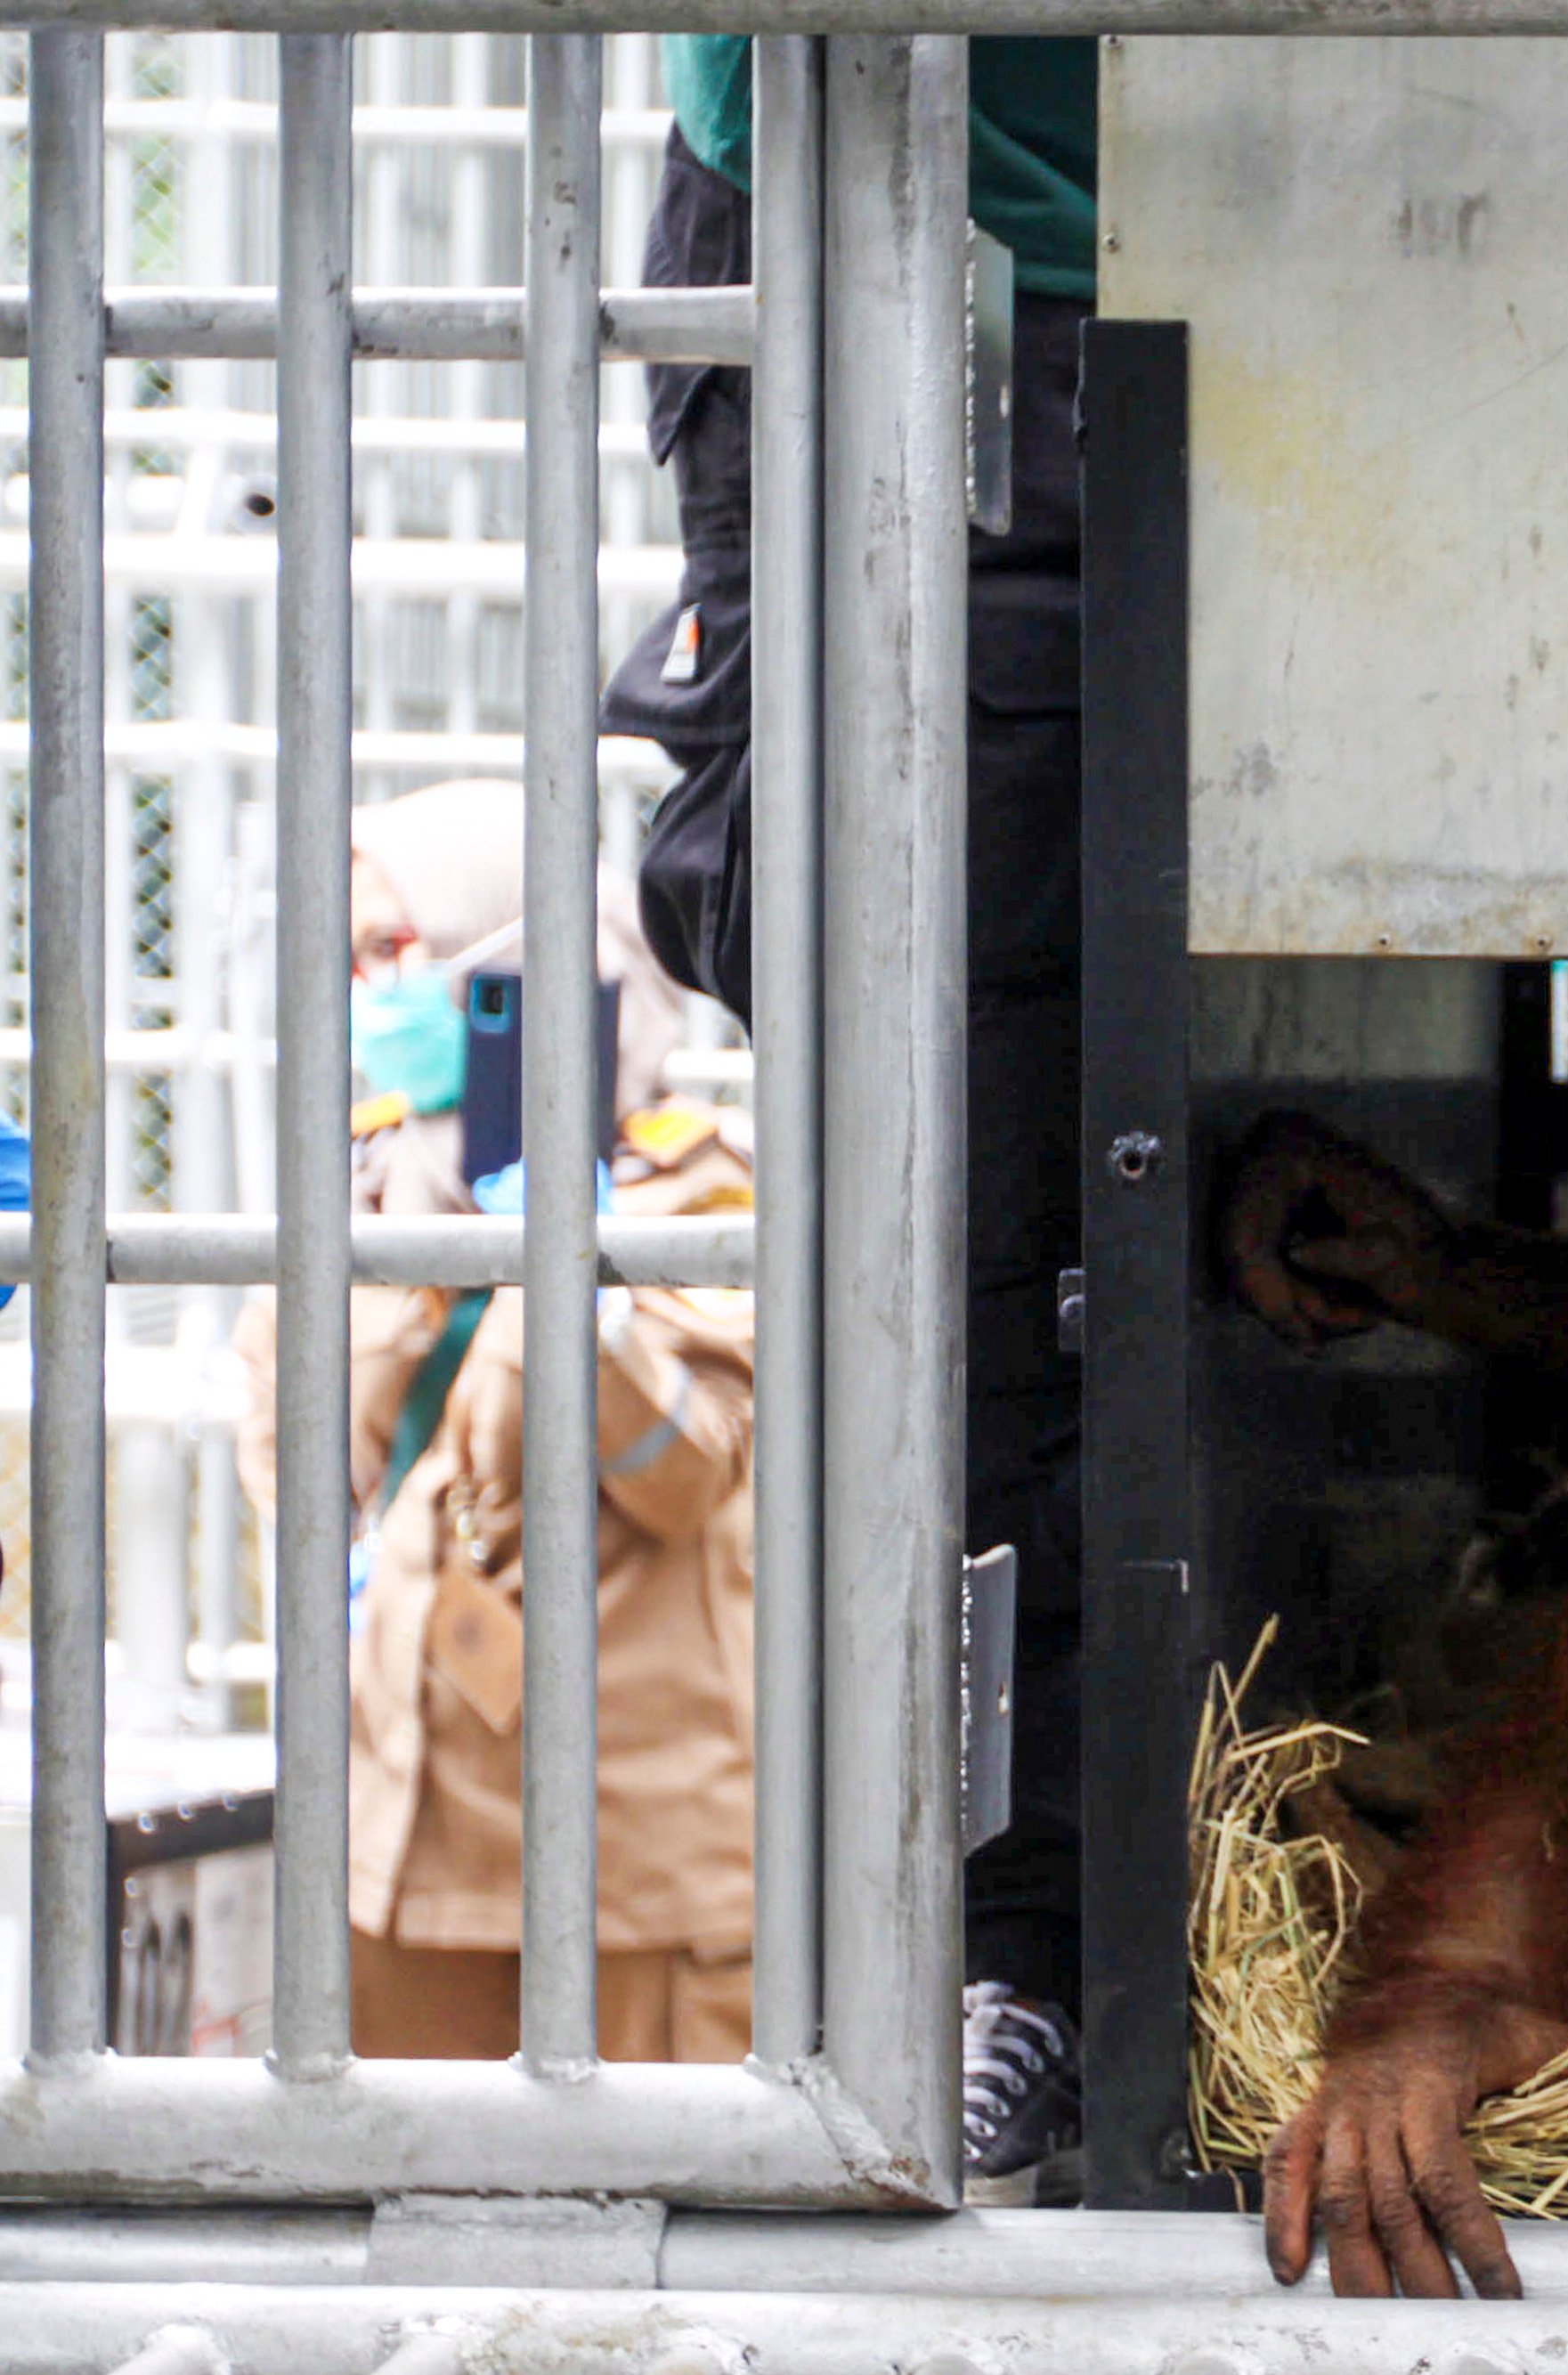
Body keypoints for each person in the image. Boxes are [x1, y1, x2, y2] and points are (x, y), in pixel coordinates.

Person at [605, 37, 1094, 2195]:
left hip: (1192, 204)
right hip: (886, 207)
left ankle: (1022, 1940)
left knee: (1037, 1142)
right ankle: (1001, 1951)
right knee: (948, 1128)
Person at [234, 779, 762, 2061]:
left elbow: (686, 1472)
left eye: (396, 951)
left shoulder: (698, 1196)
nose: (372, 992)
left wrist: (563, 1264)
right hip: (400, 1847)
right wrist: (412, 1245)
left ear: (519, 958)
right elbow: (295, 1465)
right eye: (354, 956)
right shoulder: (357, 1187)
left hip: (634, 1866)